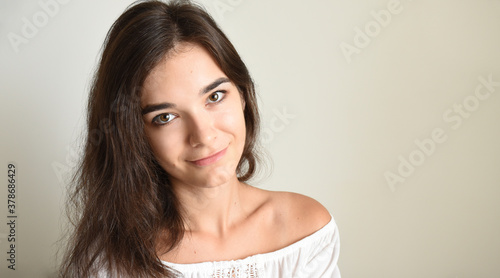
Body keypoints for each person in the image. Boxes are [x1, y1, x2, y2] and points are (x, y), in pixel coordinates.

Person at [59, 0, 341, 277]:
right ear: (134, 135)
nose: (203, 135)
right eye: (166, 117)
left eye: (214, 97)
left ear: (242, 94)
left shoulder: (307, 232)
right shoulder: (109, 264)